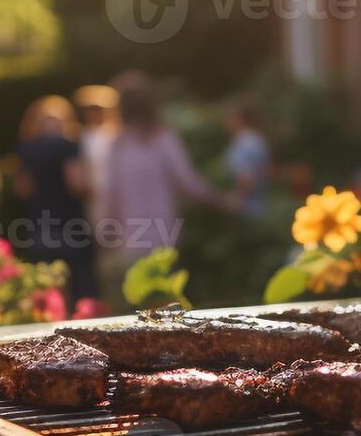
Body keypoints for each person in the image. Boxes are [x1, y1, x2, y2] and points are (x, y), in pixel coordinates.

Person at [93, 73, 219, 291]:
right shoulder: (164, 138)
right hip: (165, 233)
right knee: (168, 301)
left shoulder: (119, 145)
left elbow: (109, 194)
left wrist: (101, 228)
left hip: (132, 236)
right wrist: (219, 199)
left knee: (139, 304)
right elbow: (188, 181)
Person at [15, 96, 94, 297]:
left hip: (40, 225)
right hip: (69, 225)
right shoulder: (69, 146)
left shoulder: (28, 148)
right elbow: (76, 183)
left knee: (45, 291)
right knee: (76, 286)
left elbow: (23, 189)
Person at [74, 83, 120, 221]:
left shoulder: (116, 134)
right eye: (91, 109)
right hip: (93, 195)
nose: (95, 113)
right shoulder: (80, 136)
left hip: (116, 193)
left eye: (99, 109)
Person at [223, 101, 271, 218]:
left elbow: (246, 178)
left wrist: (236, 200)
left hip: (248, 208)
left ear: (238, 119)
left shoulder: (244, 142)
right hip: (261, 204)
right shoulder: (257, 139)